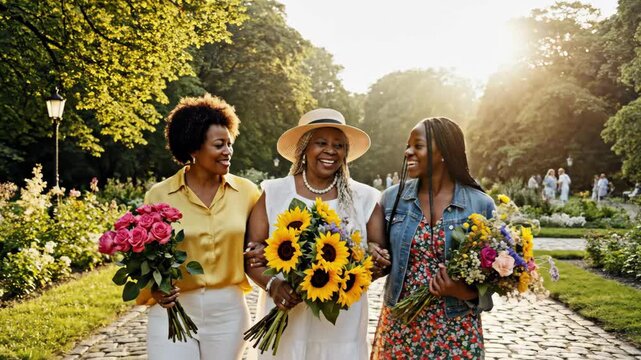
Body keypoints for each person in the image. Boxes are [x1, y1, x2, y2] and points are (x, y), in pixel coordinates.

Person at [244, 108, 388, 360]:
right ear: (304, 149)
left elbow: (380, 258)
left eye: (339, 145)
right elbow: (251, 254)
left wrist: (355, 274)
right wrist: (274, 284)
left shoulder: (364, 198)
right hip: (286, 316)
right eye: (321, 143)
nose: (330, 150)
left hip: (342, 322)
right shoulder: (275, 192)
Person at [138, 94, 261, 359]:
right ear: (193, 149)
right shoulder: (159, 195)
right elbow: (144, 258)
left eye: (229, 144)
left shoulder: (248, 193)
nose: (228, 151)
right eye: (219, 145)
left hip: (229, 314)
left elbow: (263, 248)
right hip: (173, 312)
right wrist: (156, 287)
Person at [371, 117, 495, 359]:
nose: (408, 152)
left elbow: (497, 276)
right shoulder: (391, 199)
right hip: (401, 325)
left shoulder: (480, 204)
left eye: (418, 146)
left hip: (456, 328)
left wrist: (466, 291)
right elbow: (381, 260)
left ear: (443, 153)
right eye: (408, 145)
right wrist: (374, 253)